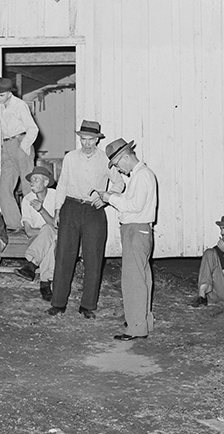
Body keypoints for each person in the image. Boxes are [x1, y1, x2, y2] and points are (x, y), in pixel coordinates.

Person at [47, 119, 124, 319]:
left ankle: (87, 305)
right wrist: (57, 210)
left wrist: (105, 199)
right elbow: (62, 183)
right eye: (83, 139)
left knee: (93, 258)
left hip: (94, 211)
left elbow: (119, 183)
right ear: (79, 138)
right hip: (70, 207)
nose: (87, 143)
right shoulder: (71, 158)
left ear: (97, 140)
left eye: (91, 140)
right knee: (64, 256)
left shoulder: (105, 159)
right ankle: (58, 303)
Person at [96, 138, 158, 341]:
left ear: (124, 157)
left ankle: (136, 327)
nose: (119, 170)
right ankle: (142, 319)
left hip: (135, 231)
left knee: (133, 280)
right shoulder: (143, 174)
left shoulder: (141, 176)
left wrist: (110, 198)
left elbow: (135, 206)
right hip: (140, 231)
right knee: (142, 278)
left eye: (116, 165)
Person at [0, 77, 39, 231]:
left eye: (1, 95)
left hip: (21, 142)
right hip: (7, 145)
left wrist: (23, 146)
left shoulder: (20, 105)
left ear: (10, 94)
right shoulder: (1, 107)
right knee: (3, 189)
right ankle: (15, 224)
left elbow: (33, 129)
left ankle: (34, 223)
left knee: (28, 187)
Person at [14, 165, 60, 302]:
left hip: (56, 235)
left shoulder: (57, 196)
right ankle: (45, 283)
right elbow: (28, 231)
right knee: (48, 241)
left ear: (46, 182)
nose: (32, 182)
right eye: (31, 180)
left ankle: (31, 265)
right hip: (36, 239)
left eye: (36, 179)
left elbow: (56, 225)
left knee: (48, 230)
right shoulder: (27, 199)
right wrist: (46, 232)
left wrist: (41, 210)